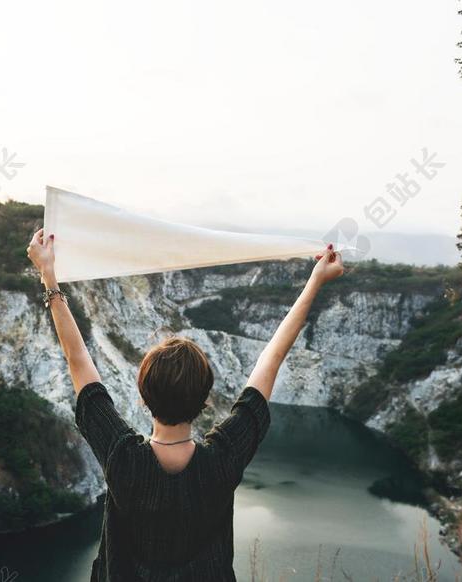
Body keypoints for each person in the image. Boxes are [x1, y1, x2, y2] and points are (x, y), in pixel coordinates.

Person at [26, 229, 345, 582]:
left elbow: (78, 360)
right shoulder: (224, 459)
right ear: (205, 399)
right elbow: (272, 359)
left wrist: (48, 275)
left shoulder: (123, 459)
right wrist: (315, 281)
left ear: (143, 396)